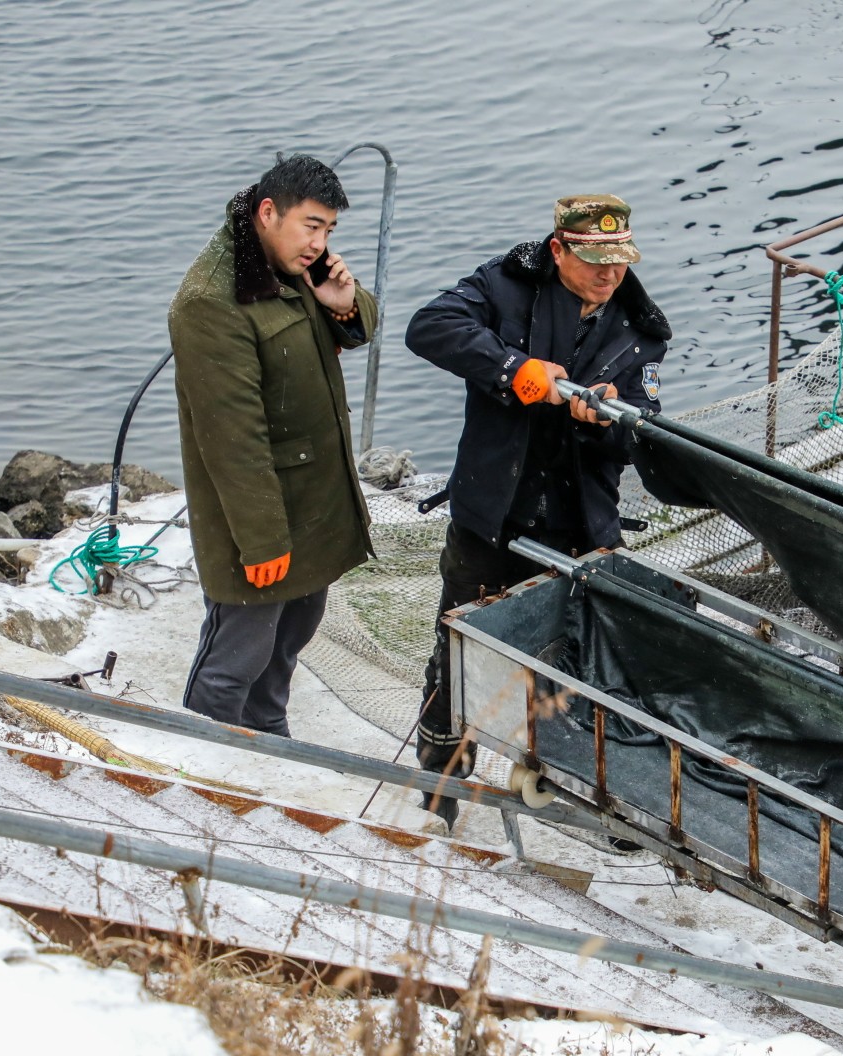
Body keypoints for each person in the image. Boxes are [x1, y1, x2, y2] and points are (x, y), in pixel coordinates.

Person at [405, 194, 670, 820]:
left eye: (620, 262)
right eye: (593, 261)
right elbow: (429, 328)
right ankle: (439, 792)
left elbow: (642, 431)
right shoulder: (503, 285)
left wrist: (607, 417)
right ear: (558, 250)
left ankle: (578, 793)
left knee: (587, 668)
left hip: (580, 527)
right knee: (457, 660)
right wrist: (514, 370)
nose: (610, 276)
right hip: (491, 519)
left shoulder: (640, 327)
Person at [168, 154, 377, 736]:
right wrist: (261, 543)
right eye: (311, 225)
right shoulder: (211, 301)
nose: (319, 242)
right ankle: (201, 759)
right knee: (236, 656)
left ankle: (267, 733)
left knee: (291, 638)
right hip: (258, 514)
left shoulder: (291, 264)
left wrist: (346, 307)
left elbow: (359, 321)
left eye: (329, 230)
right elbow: (232, 438)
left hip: (312, 501)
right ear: (268, 212)